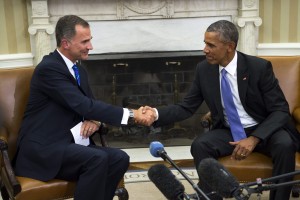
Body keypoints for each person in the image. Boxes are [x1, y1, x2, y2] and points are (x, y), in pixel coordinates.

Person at [142, 20, 300, 200]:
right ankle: (210, 197)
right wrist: (155, 114)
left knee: (285, 145)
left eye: (211, 45)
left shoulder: (258, 68)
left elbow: (280, 110)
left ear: (229, 47)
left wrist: (254, 139)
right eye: (205, 43)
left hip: (264, 128)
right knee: (200, 145)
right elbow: (186, 107)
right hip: (230, 130)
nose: (205, 49)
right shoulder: (204, 69)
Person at [13, 15, 155, 200]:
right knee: (97, 159)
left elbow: (91, 106)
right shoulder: (49, 69)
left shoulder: (79, 70)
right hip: (44, 149)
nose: (91, 46)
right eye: (85, 41)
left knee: (120, 158)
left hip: (69, 144)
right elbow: (83, 105)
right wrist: (131, 114)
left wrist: (95, 120)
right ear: (65, 43)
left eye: (90, 40)